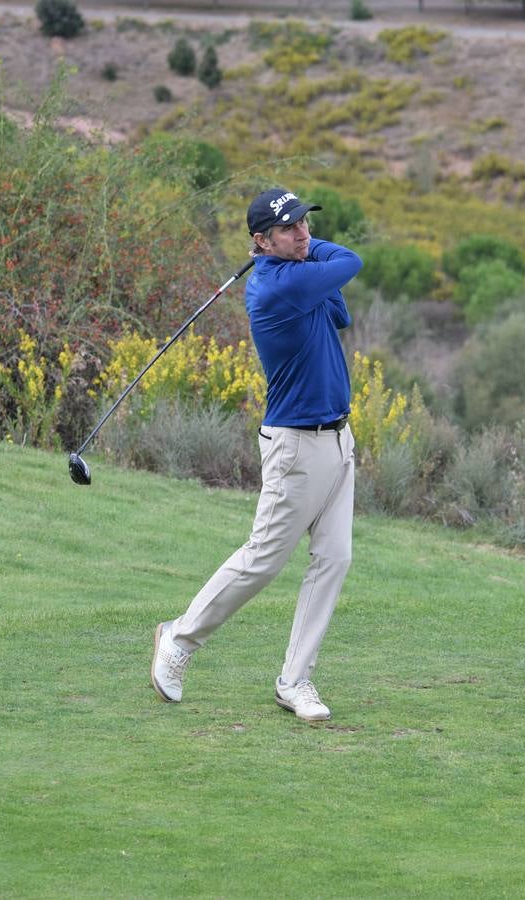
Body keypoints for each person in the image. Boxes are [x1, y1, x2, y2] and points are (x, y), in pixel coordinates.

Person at [150, 187, 362, 722]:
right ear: (260, 241)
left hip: (338, 439)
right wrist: (307, 254)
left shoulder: (296, 271)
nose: (303, 233)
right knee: (264, 558)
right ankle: (179, 638)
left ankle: (295, 681)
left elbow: (341, 314)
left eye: (304, 224)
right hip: (295, 446)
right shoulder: (275, 288)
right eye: (288, 228)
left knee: (334, 559)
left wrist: (303, 250)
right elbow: (350, 261)